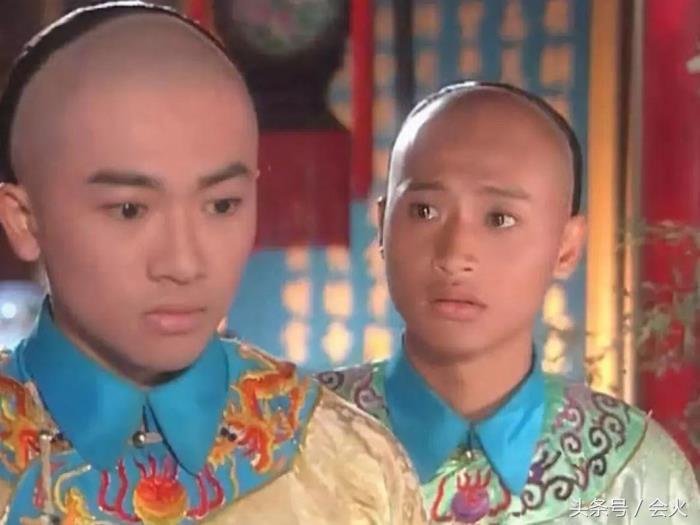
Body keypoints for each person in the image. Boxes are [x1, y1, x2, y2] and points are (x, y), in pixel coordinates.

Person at [0, 3, 425, 523]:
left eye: (222, 205)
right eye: (130, 210)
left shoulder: (346, 468)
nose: (184, 263)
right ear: (24, 219)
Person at [319, 81, 700, 524]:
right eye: (424, 211)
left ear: (566, 247)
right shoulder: (296, 443)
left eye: (499, 219)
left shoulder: (636, 477)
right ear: (383, 224)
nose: (455, 255)